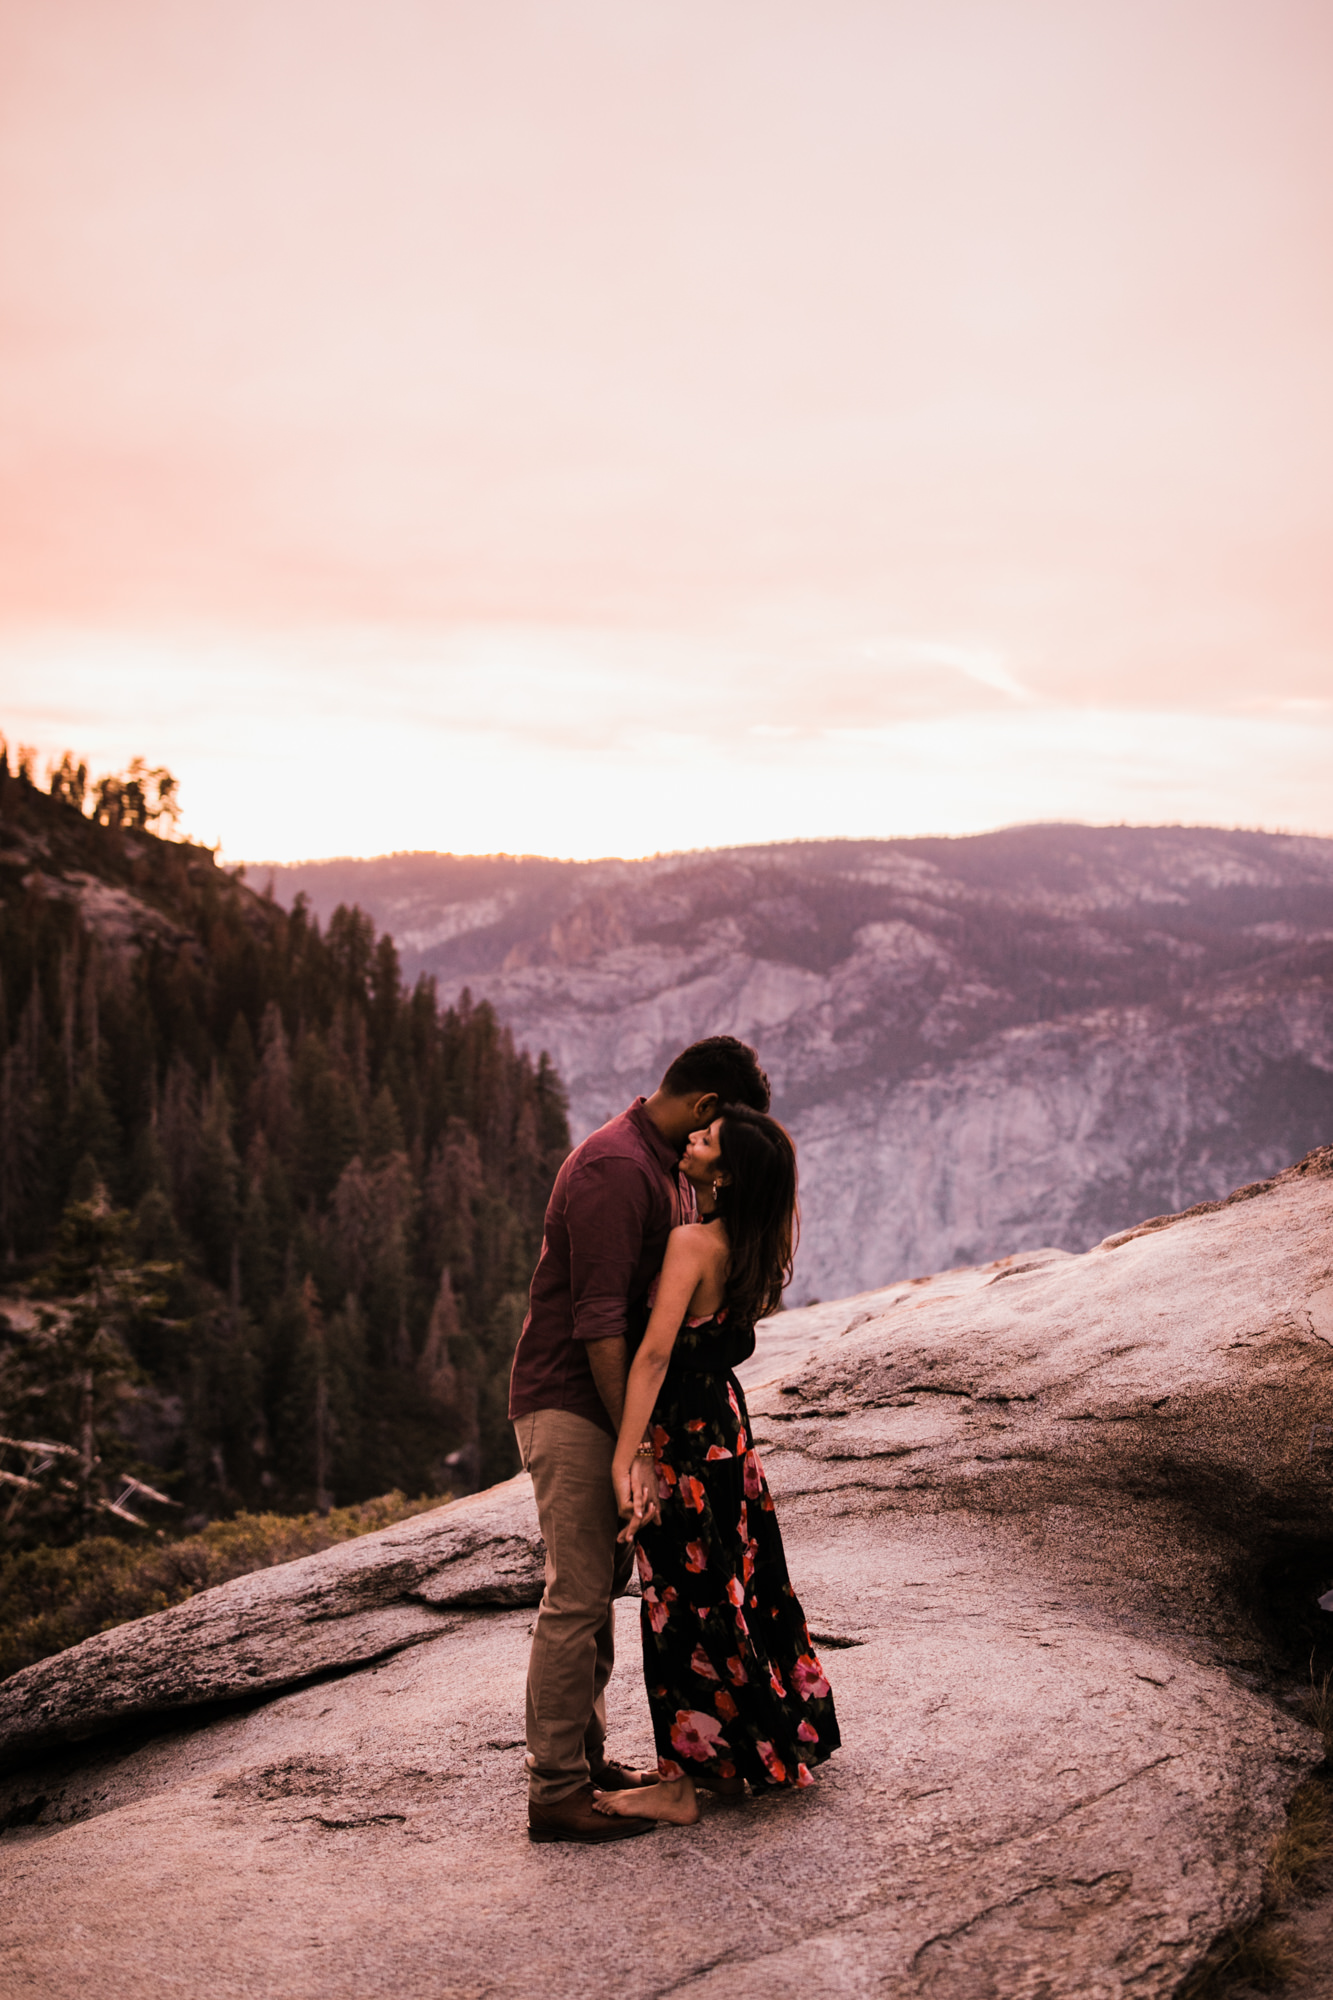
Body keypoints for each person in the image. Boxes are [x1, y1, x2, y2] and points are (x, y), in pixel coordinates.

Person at [509, 1036, 772, 1844]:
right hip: (574, 1403)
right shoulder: (614, 1170)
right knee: (579, 1594)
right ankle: (555, 1792)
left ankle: (583, 1766)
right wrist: (637, 1451)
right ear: (703, 1109)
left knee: (601, 1588)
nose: (712, 1146)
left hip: (612, 1412)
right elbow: (597, 1327)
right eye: (716, 1128)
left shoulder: (662, 1170)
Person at [594, 1106, 840, 1826]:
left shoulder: (691, 1243)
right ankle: (735, 1763)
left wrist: (626, 1455)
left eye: (707, 1140)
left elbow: (652, 1353)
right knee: (733, 1588)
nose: (692, 1139)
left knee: (679, 1603)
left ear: (724, 1173)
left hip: (682, 1445)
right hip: (726, 1440)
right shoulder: (754, 1245)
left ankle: (679, 1784)